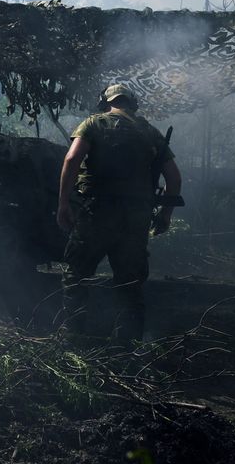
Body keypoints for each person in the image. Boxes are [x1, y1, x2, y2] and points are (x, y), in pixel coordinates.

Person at [56, 84, 183, 341]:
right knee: (130, 282)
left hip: (97, 212)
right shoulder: (150, 132)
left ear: (105, 102)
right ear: (133, 104)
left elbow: (71, 160)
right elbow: (174, 177)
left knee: (77, 274)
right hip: (136, 217)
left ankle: (74, 336)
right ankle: (127, 342)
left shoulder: (93, 124)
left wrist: (63, 204)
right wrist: (165, 215)